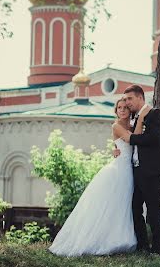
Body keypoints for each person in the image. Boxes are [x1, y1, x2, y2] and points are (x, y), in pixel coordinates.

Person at [48, 98, 147, 257]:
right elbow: (131, 139)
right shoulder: (116, 126)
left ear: (130, 110)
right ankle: (103, 240)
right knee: (111, 204)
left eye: (124, 108)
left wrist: (116, 147)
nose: (121, 110)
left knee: (123, 205)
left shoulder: (131, 126)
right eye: (119, 108)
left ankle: (122, 237)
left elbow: (131, 142)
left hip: (129, 170)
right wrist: (141, 117)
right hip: (118, 171)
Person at [114, 85, 160, 256]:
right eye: (125, 100)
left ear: (140, 98)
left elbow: (152, 138)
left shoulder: (154, 114)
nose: (127, 102)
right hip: (136, 169)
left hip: (151, 170)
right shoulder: (133, 117)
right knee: (135, 208)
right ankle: (142, 245)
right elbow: (120, 136)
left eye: (130, 99)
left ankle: (159, 248)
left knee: (153, 209)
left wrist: (132, 138)